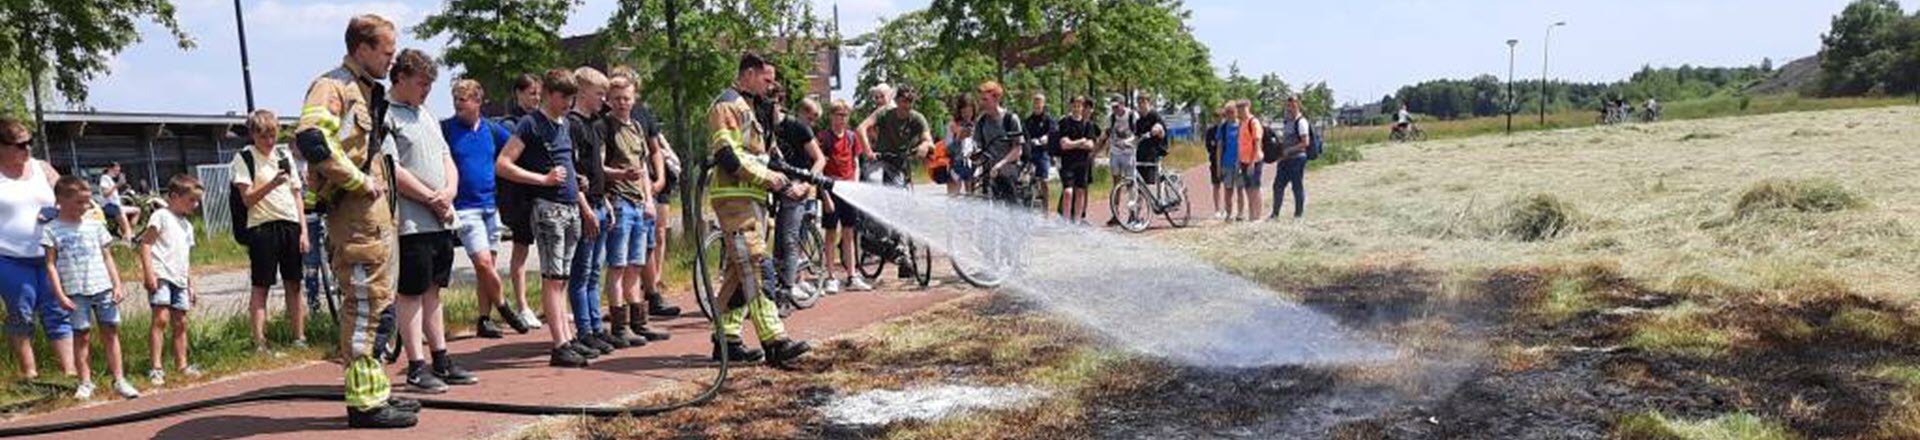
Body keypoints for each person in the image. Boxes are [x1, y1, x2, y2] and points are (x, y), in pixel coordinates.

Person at [291, 14, 415, 428]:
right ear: (362, 49)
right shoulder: (334, 87)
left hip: (373, 218)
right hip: (355, 217)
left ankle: (376, 392)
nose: (391, 62)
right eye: (386, 52)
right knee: (365, 306)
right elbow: (312, 138)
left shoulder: (363, 90)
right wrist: (359, 180)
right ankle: (364, 405)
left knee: (380, 303)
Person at [706, 53, 813, 365]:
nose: (771, 86)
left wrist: (791, 178)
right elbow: (728, 155)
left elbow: (764, 155)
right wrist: (770, 178)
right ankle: (775, 340)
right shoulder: (727, 104)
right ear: (749, 74)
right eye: (767, 80)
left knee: (737, 275)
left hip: (752, 200)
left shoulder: (752, 107)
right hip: (735, 200)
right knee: (756, 267)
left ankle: (726, 341)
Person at [385, 49, 480, 394]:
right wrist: (430, 198)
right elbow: (391, 170)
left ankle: (441, 358)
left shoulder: (425, 113)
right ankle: (415, 365)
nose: (426, 90)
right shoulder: (385, 115)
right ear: (401, 78)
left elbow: (445, 157)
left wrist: (450, 192)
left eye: (429, 85)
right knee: (410, 292)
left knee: (433, 290)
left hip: (441, 219)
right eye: (421, 83)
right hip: (411, 223)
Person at [496, 69, 600, 368]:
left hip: (570, 206)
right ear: (550, 95)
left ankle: (567, 337)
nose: (569, 103)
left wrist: (577, 184)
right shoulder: (531, 124)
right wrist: (542, 179)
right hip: (548, 208)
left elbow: (566, 161)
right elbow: (503, 165)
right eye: (564, 97)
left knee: (563, 278)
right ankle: (559, 344)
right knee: (553, 278)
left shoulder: (565, 124)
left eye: (572, 97)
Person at [442, 79, 529, 339]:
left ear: (478, 102)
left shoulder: (492, 130)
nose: (458, 104)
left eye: (463, 99)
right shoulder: (446, 129)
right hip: (465, 207)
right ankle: (504, 306)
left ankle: (484, 318)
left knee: (488, 265)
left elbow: (516, 148)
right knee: (481, 263)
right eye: (455, 99)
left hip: (490, 205)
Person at [44, 176, 139, 399]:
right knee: (82, 334)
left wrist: (117, 284)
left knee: (110, 331)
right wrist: (59, 294)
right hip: (75, 291)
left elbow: (107, 257)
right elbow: (50, 264)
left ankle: (119, 379)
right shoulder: (52, 230)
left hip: (102, 287)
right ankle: (85, 381)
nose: (85, 207)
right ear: (60, 201)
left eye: (87, 202)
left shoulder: (95, 226)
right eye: (79, 202)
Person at [0, 118, 76, 383]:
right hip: (9, 257)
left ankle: (69, 372)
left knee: (56, 309)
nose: (27, 149)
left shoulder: (42, 168)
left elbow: (69, 195)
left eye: (29, 143)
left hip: (47, 255)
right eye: (20, 145)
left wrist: (58, 211)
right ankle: (29, 374)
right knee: (21, 312)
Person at [559, 67, 627, 356]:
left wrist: (606, 201)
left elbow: (597, 169)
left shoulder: (595, 124)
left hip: (600, 203)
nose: (603, 100)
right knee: (582, 271)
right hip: (585, 207)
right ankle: (585, 330)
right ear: (583, 92)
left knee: (594, 272)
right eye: (599, 94)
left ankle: (597, 327)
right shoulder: (572, 125)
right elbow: (573, 170)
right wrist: (585, 206)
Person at [231, 109, 311, 352]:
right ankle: (259, 341)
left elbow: (297, 195)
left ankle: (299, 337)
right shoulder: (244, 157)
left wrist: (303, 231)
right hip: (262, 227)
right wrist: (272, 183)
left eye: (273, 135)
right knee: (262, 285)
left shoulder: (284, 155)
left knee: (294, 283)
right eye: (264, 135)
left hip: (290, 224)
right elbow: (247, 199)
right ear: (253, 134)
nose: (269, 141)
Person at [602, 73, 672, 344]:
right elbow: (599, 167)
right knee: (617, 265)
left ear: (634, 99)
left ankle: (638, 321)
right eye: (617, 98)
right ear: (609, 100)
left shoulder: (636, 127)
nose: (622, 103)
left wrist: (648, 199)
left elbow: (642, 165)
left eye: (626, 98)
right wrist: (618, 178)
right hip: (619, 201)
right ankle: (619, 326)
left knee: (636, 263)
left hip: (638, 202)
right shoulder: (604, 127)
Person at [139, 174, 203, 387]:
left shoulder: (187, 226)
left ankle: (182, 364)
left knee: (181, 321)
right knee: (161, 318)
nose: (194, 205)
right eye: (191, 200)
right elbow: (146, 244)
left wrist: (190, 284)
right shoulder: (161, 216)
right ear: (175, 196)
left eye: (196, 201)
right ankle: (156, 367)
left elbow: (186, 257)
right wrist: (149, 273)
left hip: (179, 277)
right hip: (162, 273)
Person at [869, 86, 933, 279]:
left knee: (903, 205)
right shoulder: (885, 114)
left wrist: (923, 146)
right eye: (904, 101)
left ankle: (903, 255)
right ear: (897, 101)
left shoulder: (917, 118)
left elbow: (928, 139)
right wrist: (870, 149)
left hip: (900, 165)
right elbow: (865, 128)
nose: (907, 105)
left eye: (910, 101)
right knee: (880, 195)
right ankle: (881, 239)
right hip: (881, 161)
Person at [500, 74, 545, 331]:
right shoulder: (510, 124)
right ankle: (523, 305)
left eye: (538, 93)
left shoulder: (541, 121)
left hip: (542, 194)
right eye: (530, 93)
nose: (535, 98)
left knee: (551, 253)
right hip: (521, 197)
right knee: (521, 249)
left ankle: (555, 305)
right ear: (518, 94)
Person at [771, 94, 825, 310]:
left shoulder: (799, 127)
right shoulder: (765, 125)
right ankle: (775, 284)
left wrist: (806, 184)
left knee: (790, 239)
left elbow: (820, 159)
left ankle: (786, 292)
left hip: (797, 187)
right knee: (777, 242)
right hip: (775, 185)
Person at [816, 99, 873, 293]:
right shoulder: (823, 138)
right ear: (831, 116)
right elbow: (819, 169)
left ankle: (852, 275)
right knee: (831, 234)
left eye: (845, 115)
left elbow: (855, 162)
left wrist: (855, 186)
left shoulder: (851, 137)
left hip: (849, 189)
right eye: (838, 115)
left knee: (849, 234)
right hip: (831, 189)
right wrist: (825, 197)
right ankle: (831, 276)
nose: (842, 119)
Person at [973, 81, 1025, 203]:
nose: (982, 103)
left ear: (996, 98)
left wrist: (1000, 164)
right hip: (988, 168)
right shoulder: (981, 121)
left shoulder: (1011, 119)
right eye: (981, 100)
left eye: (985, 100)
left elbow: (1017, 150)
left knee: (1006, 184)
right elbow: (978, 146)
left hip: (1008, 166)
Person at [1055, 96, 1100, 225]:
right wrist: (1081, 142)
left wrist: (1072, 143)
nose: (1077, 108)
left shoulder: (1088, 124)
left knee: (1080, 191)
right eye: (1074, 105)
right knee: (1068, 192)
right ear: (1071, 106)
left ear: (1082, 107)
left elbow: (1091, 145)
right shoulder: (1065, 122)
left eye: (1080, 106)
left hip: (1083, 163)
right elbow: (1064, 144)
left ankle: (1077, 221)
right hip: (1067, 162)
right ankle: (1066, 221)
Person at [1270, 97, 1311, 220]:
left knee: (1297, 186)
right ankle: (1275, 214)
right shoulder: (1287, 122)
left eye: (1293, 106)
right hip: (1285, 159)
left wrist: (1289, 150)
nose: (1290, 108)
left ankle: (1298, 215)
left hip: (1297, 158)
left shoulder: (1301, 122)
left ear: (1298, 105)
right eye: (1288, 106)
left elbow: (1305, 143)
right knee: (1277, 186)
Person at [1101, 97, 1139, 226]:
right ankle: (1115, 214)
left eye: (1117, 107)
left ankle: (1133, 214)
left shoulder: (1132, 116)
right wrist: (1095, 151)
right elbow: (1105, 134)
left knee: (1130, 183)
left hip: (1129, 153)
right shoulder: (1111, 118)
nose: (1115, 110)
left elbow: (1138, 134)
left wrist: (1128, 142)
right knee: (1116, 184)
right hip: (1115, 153)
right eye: (1113, 107)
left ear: (1123, 105)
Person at [1022, 93, 1056, 216]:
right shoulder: (1028, 120)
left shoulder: (1048, 120)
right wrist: (1028, 141)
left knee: (1044, 180)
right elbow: (1023, 135)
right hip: (1030, 152)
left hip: (1042, 152)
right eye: (1035, 102)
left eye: (1039, 102)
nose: (1037, 105)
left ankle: (1045, 211)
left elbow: (1053, 132)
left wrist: (1046, 138)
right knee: (1021, 177)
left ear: (1043, 104)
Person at [936, 95, 976, 195]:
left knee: (971, 199)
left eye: (970, 112)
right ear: (959, 111)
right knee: (953, 199)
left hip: (972, 166)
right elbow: (947, 150)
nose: (967, 115)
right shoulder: (952, 126)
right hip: (955, 166)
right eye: (964, 112)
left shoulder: (977, 126)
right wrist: (958, 139)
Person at [1234, 101, 1265, 221]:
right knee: (1248, 188)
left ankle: (1258, 216)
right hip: (1244, 160)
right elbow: (1241, 143)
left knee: (1255, 188)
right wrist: (1239, 160)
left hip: (1254, 160)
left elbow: (1256, 142)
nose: (1240, 111)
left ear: (1247, 108)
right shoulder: (1242, 123)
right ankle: (1252, 215)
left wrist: (1252, 162)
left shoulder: (1253, 122)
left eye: (1242, 108)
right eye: (1239, 109)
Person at [1133, 94, 1168, 184]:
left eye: (1144, 102)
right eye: (1139, 102)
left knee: (1150, 178)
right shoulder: (1139, 121)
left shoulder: (1154, 115)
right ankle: (1141, 195)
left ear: (1149, 103)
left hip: (1156, 149)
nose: (1141, 105)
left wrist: (1155, 129)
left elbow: (1159, 127)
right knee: (1139, 173)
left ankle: (1154, 189)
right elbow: (1137, 137)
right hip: (1143, 150)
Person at [854, 83, 895, 159]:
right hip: (881, 156)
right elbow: (861, 129)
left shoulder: (893, 110)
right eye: (876, 97)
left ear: (890, 96)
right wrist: (869, 151)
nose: (879, 100)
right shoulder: (877, 114)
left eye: (882, 96)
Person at [96, 163, 136, 239]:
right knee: (125, 224)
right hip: (110, 206)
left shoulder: (110, 180)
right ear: (110, 169)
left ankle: (128, 232)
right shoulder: (105, 178)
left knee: (137, 211)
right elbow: (105, 194)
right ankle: (127, 236)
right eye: (116, 170)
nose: (117, 173)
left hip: (116, 205)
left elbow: (113, 195)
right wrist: (117, 185)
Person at [1205, 106, 1230, 220]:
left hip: (1227, 161)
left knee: (1227, 186)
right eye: (1216, 117)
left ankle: (1226, 209)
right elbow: (1209, 146)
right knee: (1216, 185)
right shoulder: (1210, 131)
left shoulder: (1227, 129)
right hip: (1214, 162)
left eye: (1221, 117)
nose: (1218, 119)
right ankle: (1217, 210)